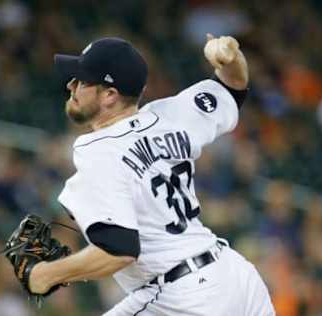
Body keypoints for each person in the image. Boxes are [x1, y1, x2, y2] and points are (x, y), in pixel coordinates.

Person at [27, 35, 275, 315]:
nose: (71, 85)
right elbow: (234, 86)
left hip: (183, 297)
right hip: (236, 277)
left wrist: (46, 273)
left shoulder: (98, 151)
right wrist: (231, 58)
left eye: (83, 81)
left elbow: (119, 251)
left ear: (110, 95)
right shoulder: (172, 114)